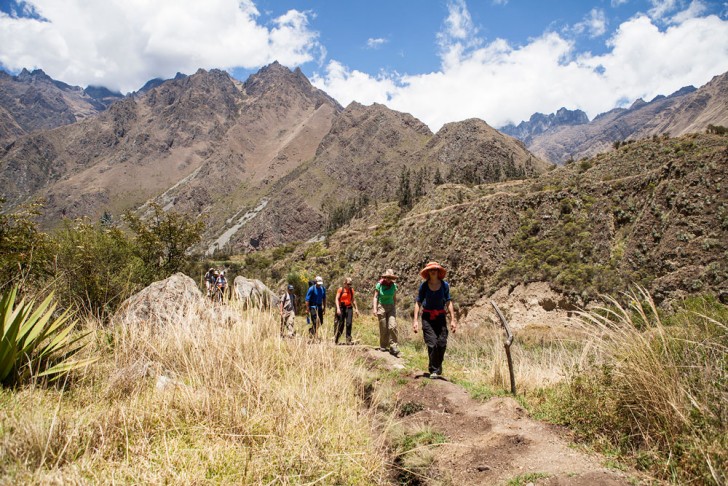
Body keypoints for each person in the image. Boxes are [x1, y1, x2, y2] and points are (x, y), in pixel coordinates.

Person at [412, 261, 457, 379]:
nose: (433, 271)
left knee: (442, 342)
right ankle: (434, 370)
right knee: (431, 342)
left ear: (438, 271)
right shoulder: (424, 286)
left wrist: (453, 319)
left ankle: (437, 365)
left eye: (435, 269)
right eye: (431, 269)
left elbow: (448, 301)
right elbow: (418, 302)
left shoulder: (444, 285)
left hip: (441, 317)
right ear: (427, 272)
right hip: (427, 317)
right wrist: (415, 320)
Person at [372, 269, 400, 357]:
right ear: (385, 277)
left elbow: (394, 297)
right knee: (383, 327)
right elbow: (375, 297)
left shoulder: (394, 286)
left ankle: (393, 346)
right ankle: (383, 345)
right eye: (387, 277)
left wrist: (394, 306)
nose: (388, 279)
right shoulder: (379, 285)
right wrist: (375, 309)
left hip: (391, 306)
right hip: (381, 306)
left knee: (392, 326)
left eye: (390, 278)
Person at [334, 277, 359, 345]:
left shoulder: (351, 290)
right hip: (341, 308)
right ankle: (336, 339)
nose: (349, 285)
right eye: (348, 284)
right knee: (341, 324)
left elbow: (353, 299)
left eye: (350, 284)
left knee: (349, 323)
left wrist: (356, 309)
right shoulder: (340, 289)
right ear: (344, 283)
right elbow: (336, 299)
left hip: (349, 307)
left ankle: (348, 340)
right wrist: (338, 308)